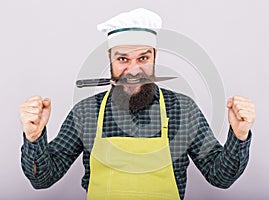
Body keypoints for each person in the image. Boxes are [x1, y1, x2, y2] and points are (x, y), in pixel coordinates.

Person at [19, 8, 256, 200]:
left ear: (155, 57)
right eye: (123, 59)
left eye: (143, 58)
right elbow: (43, 180)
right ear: (110, 61)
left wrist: (239, 135)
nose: (133, 70)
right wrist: (34, 137)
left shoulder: (183, 110)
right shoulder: (86, 113)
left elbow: (220, 178)